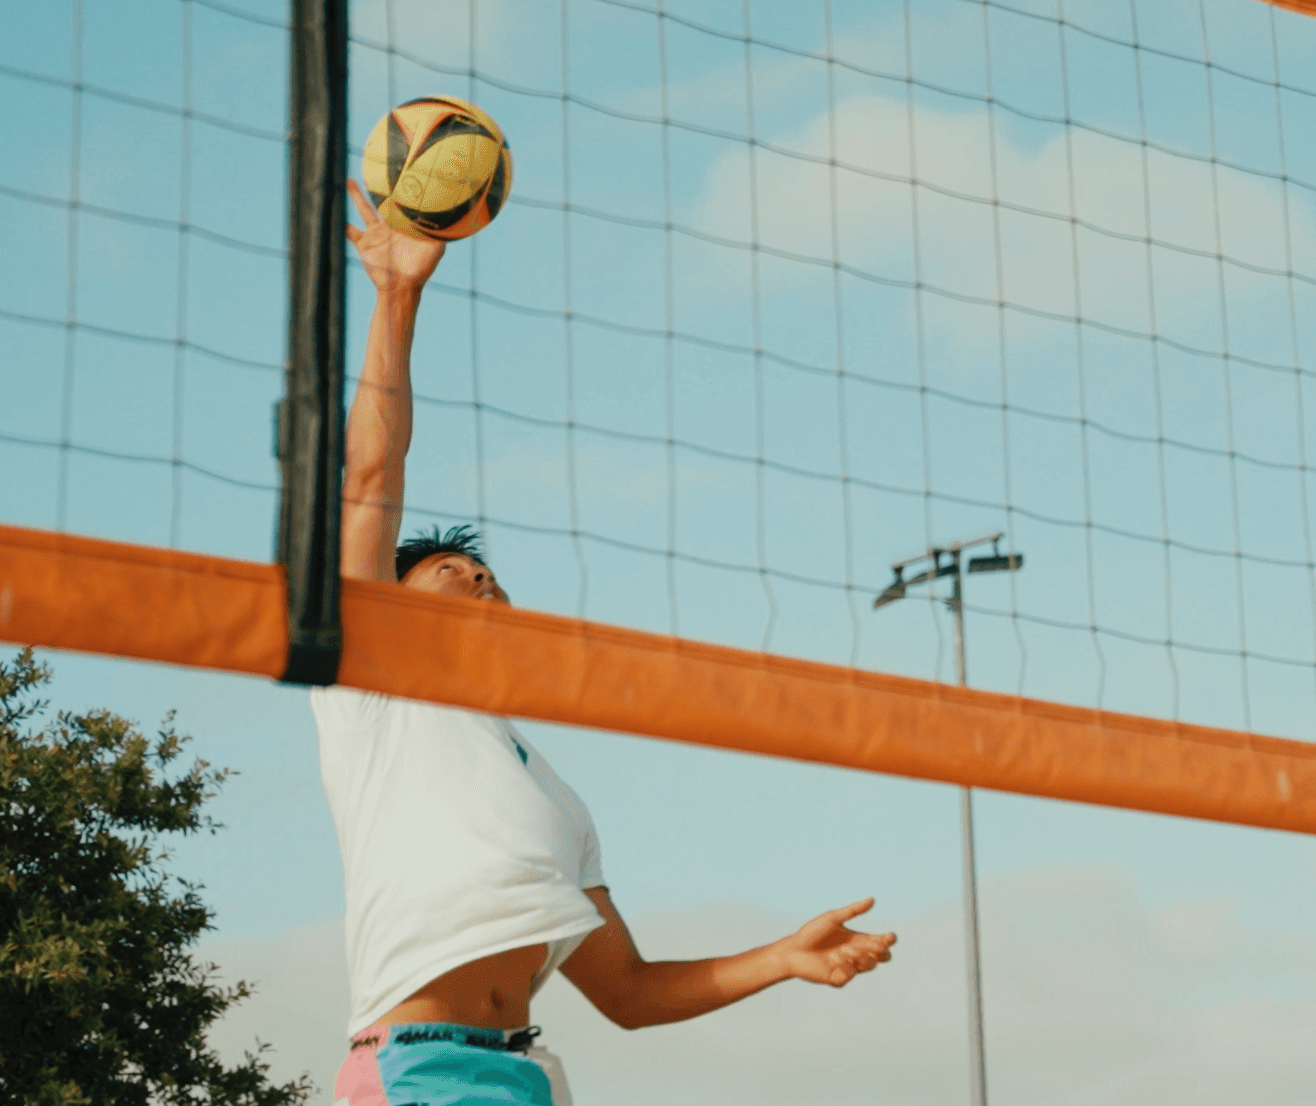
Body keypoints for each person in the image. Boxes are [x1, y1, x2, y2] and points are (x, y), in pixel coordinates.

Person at [315, 180, 896, 1106]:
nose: (478, 579)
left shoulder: (553, 797)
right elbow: (372, 475)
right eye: (448, 575)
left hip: (525, 1075)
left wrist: (781, 958)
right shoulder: (374, 689)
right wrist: (399, 297)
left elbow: (627, 993)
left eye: (489, 577)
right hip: (415, 1069)